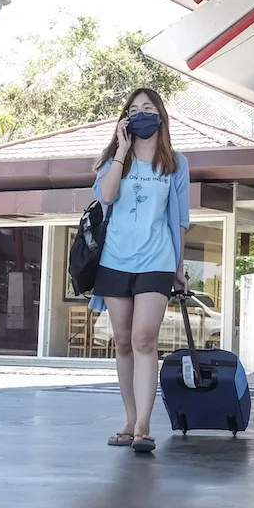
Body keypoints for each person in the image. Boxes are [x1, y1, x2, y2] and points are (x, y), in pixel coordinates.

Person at [92, 89, 190, 454]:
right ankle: (130, 420)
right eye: (133, 110)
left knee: (144, 339)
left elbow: (179, 220)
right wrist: (120, 151)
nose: (141, 115)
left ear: (161, 116)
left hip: (156, 262)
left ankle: (145, 428)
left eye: (148, 108)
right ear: (124, 119)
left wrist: (179, 267)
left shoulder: (176, 163)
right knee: (122, 341)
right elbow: (106, 196)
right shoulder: (114, 159)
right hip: (115, 260)